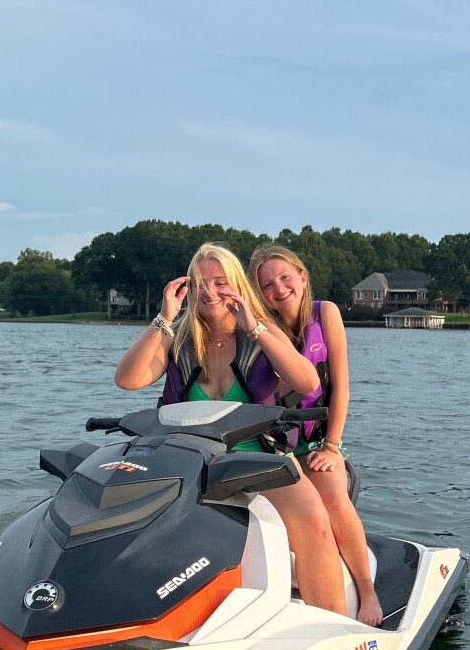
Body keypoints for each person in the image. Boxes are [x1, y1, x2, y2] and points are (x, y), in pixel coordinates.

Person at [114, 242, 350, 615]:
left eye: (220, 282)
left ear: (237, 286)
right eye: (199, 284)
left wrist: (254, 328)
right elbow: (128, 380)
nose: (209, 293)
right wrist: (163, 318)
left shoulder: (260, 329)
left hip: (260, 460)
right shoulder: (179, 337)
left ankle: (332, 626)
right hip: (193, 463)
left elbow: (307, 382)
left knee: (314, 521)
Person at [249, 244, 383, 627]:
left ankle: (367, 591)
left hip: (321, 443)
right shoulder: (262, 330)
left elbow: (340, 386)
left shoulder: (327, 314)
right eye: (268, 284)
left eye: (285, 277)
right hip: (279, 448)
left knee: (333, 498)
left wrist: (333, 447)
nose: (279, 288)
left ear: (303, 277)